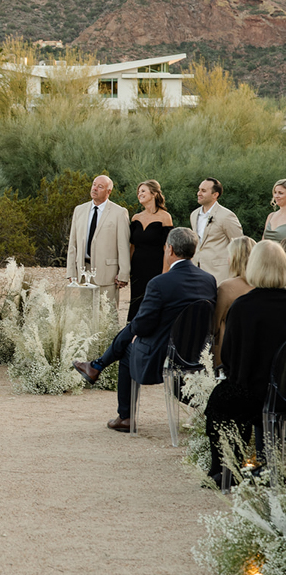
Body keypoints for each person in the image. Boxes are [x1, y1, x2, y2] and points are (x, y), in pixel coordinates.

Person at [72, 227, 217, 431]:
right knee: (131, 333)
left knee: (127, 346)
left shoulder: (159, 283)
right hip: (196, 355)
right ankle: (96, 366)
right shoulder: (208, 280)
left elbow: (143, 325)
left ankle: (125, 415)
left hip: (161, 355)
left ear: (170, 250)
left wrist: (136, 330)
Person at [204, 240, 286, 482]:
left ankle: (227, 469)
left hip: (253, 392)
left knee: (220, 403)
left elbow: (229, 358)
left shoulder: (244, 306)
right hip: (284, 392)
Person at [66, 175, 130, 308]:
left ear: (109, 191)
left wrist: (123, 274)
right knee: (85, 316)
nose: (95, 188)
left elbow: (123, 246)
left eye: (100, 186)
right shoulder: (79, 210)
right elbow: (73, 244)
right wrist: (71, 271)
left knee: (108, 317)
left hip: (108, 275)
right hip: (84, 272)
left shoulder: (119, 213)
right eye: (94, 184)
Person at [128, 180, 173, 321]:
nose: (139, 194)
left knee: (154, 300)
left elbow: (167, 247)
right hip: (137, 268)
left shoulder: (165, 217)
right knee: (136, 301)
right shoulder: (136, 218)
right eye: (138, 192)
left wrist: (165, 273)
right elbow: (132, 246)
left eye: (143, 191)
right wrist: (127, 269)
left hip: (156, 265)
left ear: (153, 194)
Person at [190, 178, 243, 283]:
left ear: (215, 195)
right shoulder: (194, 214)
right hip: (196, 272)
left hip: (219, 274)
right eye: (199, 190)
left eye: (203, 191)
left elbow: (239, 245)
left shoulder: (226, 216)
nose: (199, 193)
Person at [213, 236, 255, 366]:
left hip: (229, 352)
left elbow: (214, 326)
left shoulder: (226, 288)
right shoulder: (262, 286)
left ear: (234, 258)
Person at [262, 178, 286, 245]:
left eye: (280, 193)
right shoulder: (271, 216)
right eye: (275, 192)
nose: (276, 196)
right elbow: (262, 242)